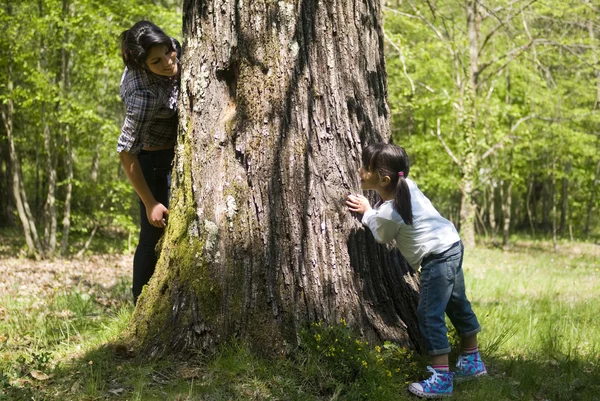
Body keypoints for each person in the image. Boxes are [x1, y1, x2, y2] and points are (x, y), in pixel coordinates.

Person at [345, 143, 486, 398]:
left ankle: (441, 377)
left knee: (429, 314)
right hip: (452, 245)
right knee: (457, 303)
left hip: (436, 258)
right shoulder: (407, 186)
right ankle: (472, 359)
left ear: (383, 178)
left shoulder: (389, 212)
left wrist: (367, 213)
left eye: (366, 168)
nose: (360, 170)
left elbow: (381, 235)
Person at [117, 21, 181, 305]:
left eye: (168, 51)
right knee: (151, 237)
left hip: (172, 156)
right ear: (143, 65)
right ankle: (140, 305)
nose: (168, 61)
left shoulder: (171, 48)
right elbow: (126, 152)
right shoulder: (143, 96)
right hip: (152, 163)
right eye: (157, 61)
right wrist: (150, 202)